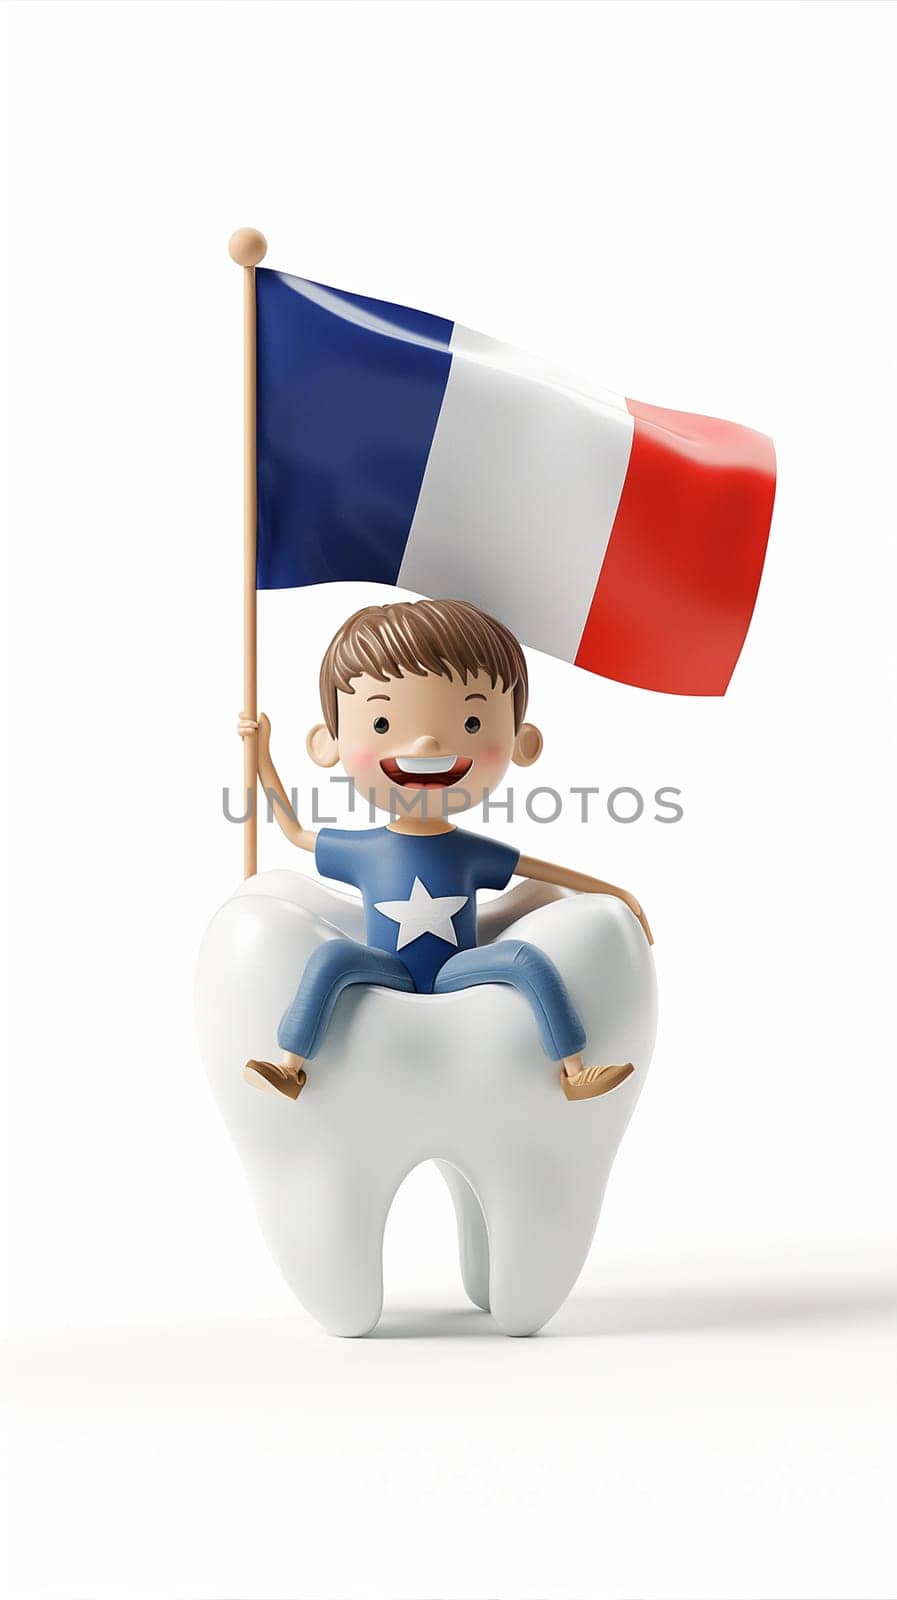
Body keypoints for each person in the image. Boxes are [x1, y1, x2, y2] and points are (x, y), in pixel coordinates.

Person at [238, 597, 652, 1103]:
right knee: (330, 959)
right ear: (328, 743)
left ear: (523, 742)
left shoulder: (470, 851)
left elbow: (543, 870)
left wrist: (619, 895)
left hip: (458, 969)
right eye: (383, 725)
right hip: (386, 968)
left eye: (472, 724)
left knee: (526, 960)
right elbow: (294, 831)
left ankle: (575, 1070)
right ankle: (289, 1067)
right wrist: (260, 758)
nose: (430, 743)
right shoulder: (366, 849)